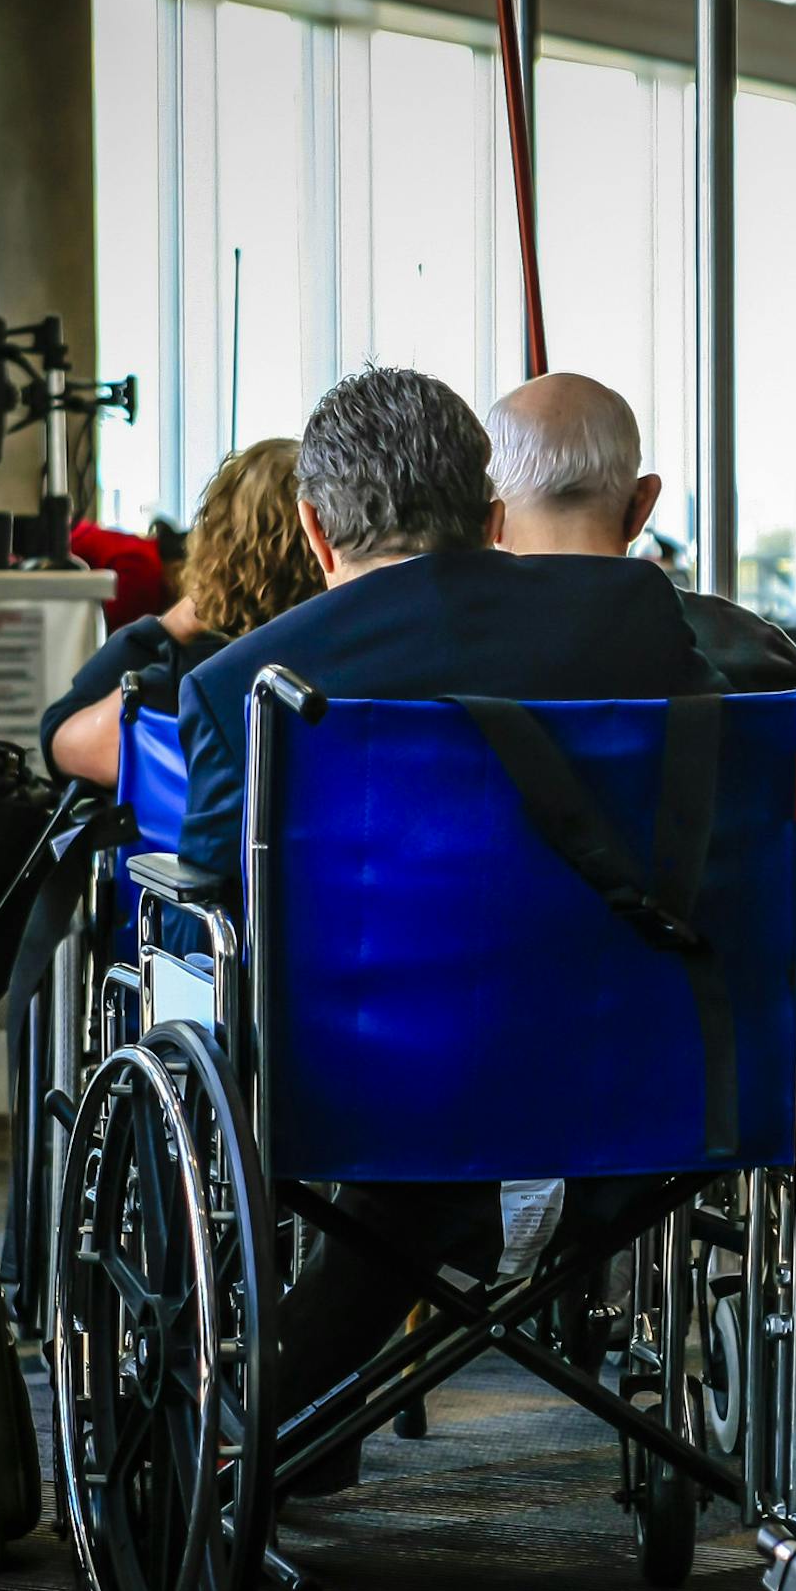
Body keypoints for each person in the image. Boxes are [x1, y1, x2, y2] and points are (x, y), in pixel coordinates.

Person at [176, 369, 730, 1455]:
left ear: (314, 528)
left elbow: (213, 905)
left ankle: (253, 1424)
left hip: (357, 1088)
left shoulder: (244, 683)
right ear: (488, 521)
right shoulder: (637, 625)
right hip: (630, 1068)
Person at [485, 370, 796, 866]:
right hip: (694, 938)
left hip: (485, 938)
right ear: (642, 502)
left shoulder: (442, 651)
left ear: (491, 517)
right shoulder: (739, 647)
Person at [41, 438, 318, 786]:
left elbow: (59, 739)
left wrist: (169, 625)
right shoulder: (348, 662)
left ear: (215, 542)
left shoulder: (184, 683)